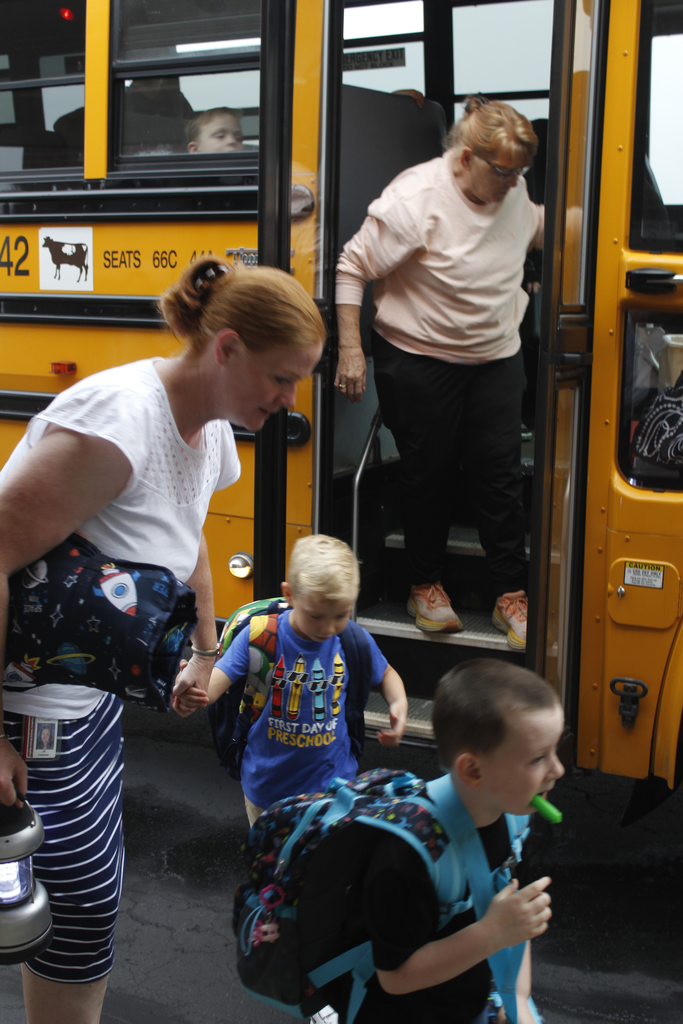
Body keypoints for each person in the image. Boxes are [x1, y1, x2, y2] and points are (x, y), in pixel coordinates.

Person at [0, 256, 325, 1024]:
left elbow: (189, 539)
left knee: (78, 906)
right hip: (30, 712)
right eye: (281, 378)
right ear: (227, 348)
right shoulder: (114, 429)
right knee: (67, 916)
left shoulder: (207, 429)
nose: (287, 400)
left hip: (88, 702)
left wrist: (207, 649)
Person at [335, 95, 544, 648]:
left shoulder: (512, 188)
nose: (513, 182)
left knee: (498, 475)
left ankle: (509, 594)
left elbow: (531, 228)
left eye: (520, 171)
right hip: (420, 356)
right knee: (429, 472)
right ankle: (424, 586)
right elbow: (352, 266)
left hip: (496, 355)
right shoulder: (417, 197)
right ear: (465, 158)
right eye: (502, 171)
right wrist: (352, 350)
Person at [341, 658, 564, 1024]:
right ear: (473, 770)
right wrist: (492, 933)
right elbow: (395, 977)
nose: (558, 770)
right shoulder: (407, 854)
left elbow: (512, 919)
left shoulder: (514, 818)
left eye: (555, 750)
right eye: (538, 758)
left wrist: (517, 999)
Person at [173, 533, 409, 826]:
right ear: (289, 594)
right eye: (316, 616)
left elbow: (386, 674)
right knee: (273, 866)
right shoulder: (260, 637)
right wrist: (192, 690)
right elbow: (215, 683)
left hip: (334, 791)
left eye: (341, 614)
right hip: (266, 792)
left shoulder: (352, 640)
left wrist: (397, 703)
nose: (328, 627)